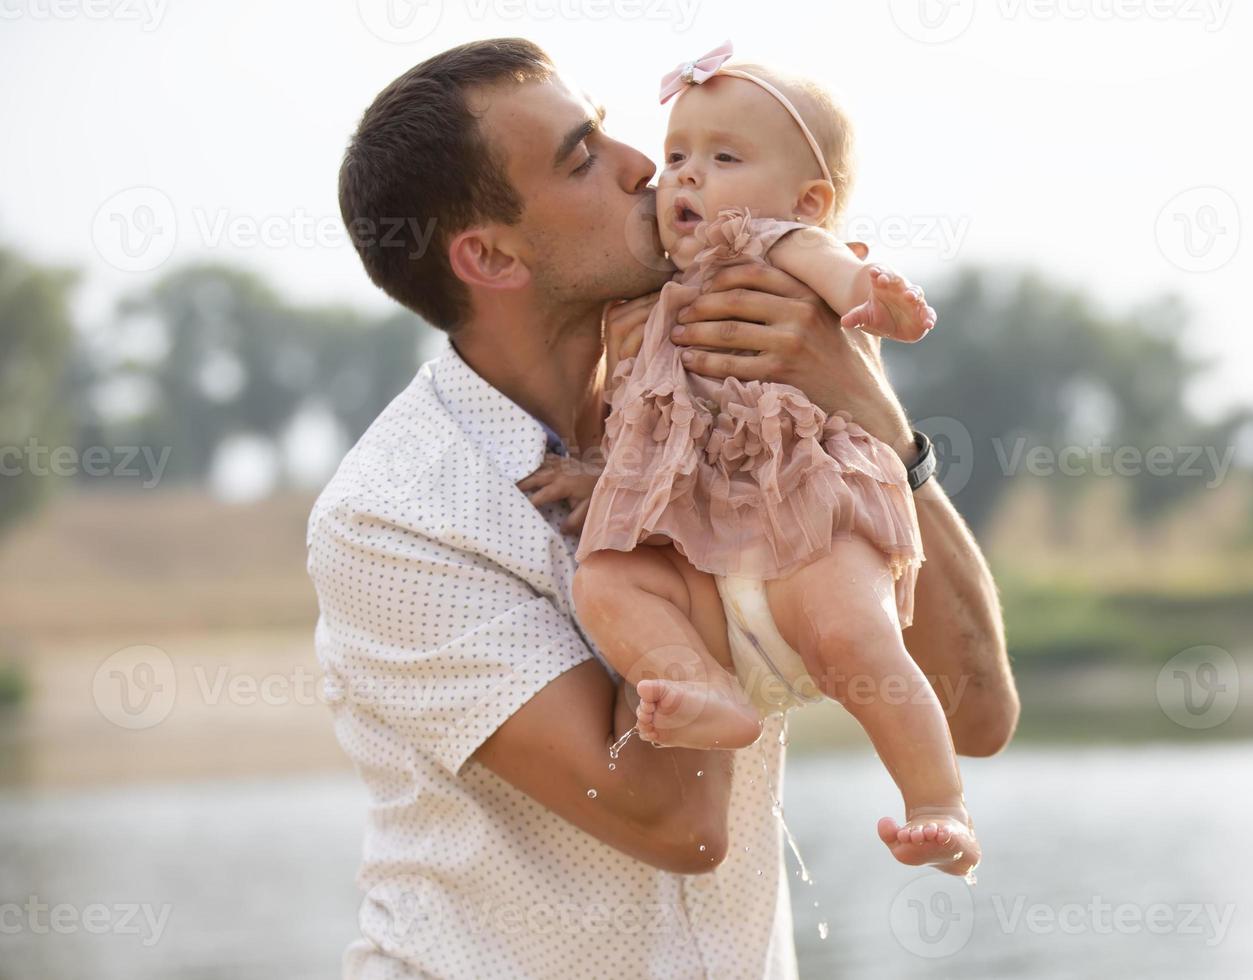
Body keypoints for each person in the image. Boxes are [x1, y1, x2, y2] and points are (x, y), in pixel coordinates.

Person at [309, 37, 1018, 979]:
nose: (646, 164)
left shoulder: (750, 393)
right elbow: (677, 823)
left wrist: (876, 430)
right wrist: (701, 510)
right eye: (582, 158)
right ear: (489, 255)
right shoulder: (392, 520)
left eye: (607, 130)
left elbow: (975, 717)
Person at [555, 41, 977, 877]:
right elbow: (640, 420)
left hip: (804, 500)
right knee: (605, 579)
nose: (684, 177)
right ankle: (699, 685)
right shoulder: (645, 302)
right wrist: (592, 474)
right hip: (699, 540)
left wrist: (876, 300)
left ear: (808, 199)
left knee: (856, 636)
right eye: (676, 156)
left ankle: (938, 805)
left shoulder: (776, 244)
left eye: (721, 157)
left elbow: (839, 273)